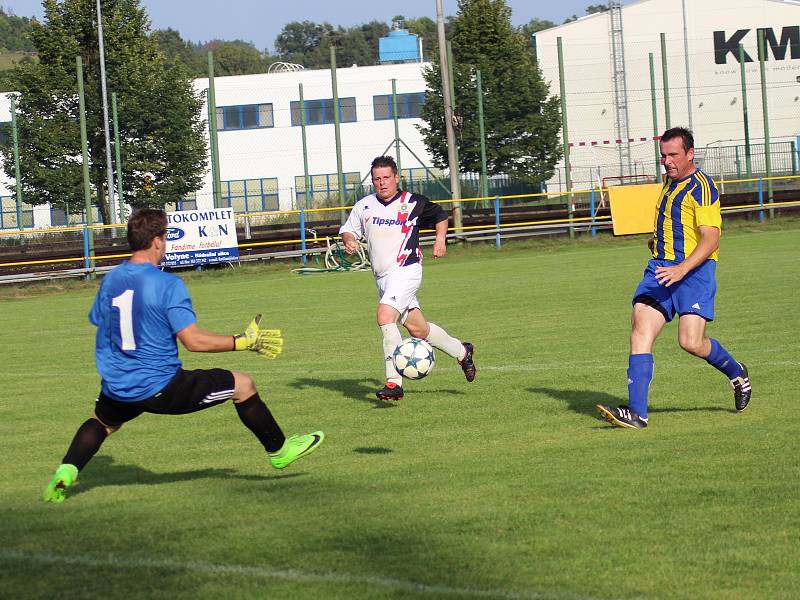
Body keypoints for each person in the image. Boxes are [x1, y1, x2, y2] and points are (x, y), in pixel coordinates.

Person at [43, 209, 324, 503]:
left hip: (119, 383)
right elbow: (193, 341)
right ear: (156, 241)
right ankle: (279, 451)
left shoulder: (112, 279)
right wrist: (242, 342)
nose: (166, 243)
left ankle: (66, 473)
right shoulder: (167, 284)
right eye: (165, 237)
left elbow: (103, 323)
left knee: (102, 422)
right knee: (242, 385)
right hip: (160, 385)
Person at [596, 127, 751, 429]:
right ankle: (637, 412)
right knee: (640, 326)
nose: (667, 161)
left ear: (690, 154)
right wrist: (658, 241)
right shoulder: (669, 181)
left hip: (694, 272)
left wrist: (682, 268)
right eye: (663, 155)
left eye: (673, 155)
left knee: (690, 342)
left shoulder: (702, 188)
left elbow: (711, 238)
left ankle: (737, 372)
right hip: (660, 269)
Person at [339, 156, 476, 401]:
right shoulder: (365, 205)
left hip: (407, 270)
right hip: (382, 279)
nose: (382, 183)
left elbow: (441, 216)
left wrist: (440, 239)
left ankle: (394, 383)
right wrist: (349, 239)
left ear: (396, 178)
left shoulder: (412, 202)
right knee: (419, 330)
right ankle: (462, 351)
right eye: (377, 179)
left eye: (386, 178)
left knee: (384, 316)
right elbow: (349, 229)